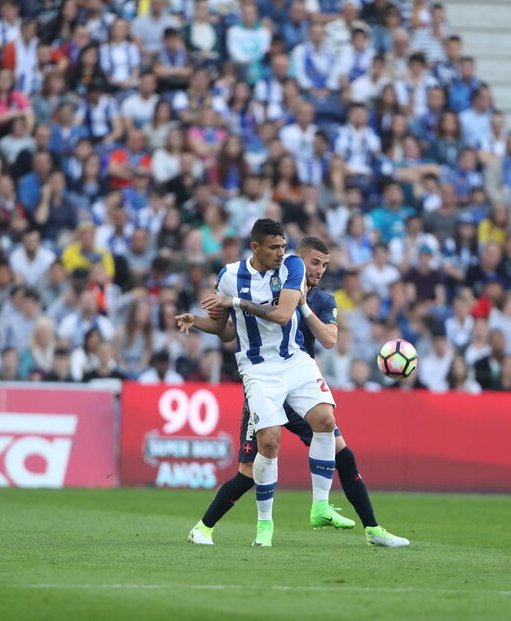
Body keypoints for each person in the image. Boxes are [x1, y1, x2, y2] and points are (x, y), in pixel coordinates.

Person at [181, 236, 408, 548]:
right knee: (248, 473)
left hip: (299, 388)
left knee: (343, 454)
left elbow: (329, 339)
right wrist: (199, 322)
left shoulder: (323, 301)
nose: (319, 270)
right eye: (314, 263)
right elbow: (229, 331)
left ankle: (372, 529)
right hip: (265, 385)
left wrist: (304, 306)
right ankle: (203, 527)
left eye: (325, 265)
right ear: (298, 261)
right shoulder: (270, 286)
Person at [175, 219, 340, 548]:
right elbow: (226, 332)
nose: (281, 253)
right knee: (269, 443)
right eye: (274, 247)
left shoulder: (292, 266)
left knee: (326, 420)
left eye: (283, 245)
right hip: (257, 368)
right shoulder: (229, 276)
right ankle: (264, 525)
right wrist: (199, 323)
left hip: (293, 358)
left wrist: (235, 304)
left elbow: (282, 315)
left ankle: (320, 505)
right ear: (255, 248)